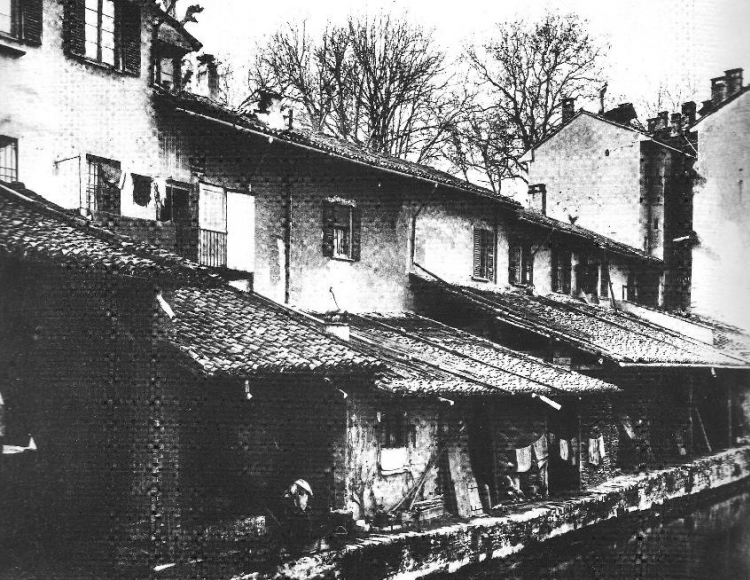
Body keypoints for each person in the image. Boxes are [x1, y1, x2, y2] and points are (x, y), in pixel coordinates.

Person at [280, 479, 314, 555]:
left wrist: (304, 510)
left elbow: (307, 503)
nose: (301, 490)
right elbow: (286, 499)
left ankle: (302, 546)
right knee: (294, 529)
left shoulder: (306, 495)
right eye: (299, 489)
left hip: (302, 515)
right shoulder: (292, 491)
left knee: (303, 528)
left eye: (302, 490)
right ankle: (293, 548)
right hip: (294, 515)